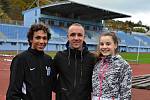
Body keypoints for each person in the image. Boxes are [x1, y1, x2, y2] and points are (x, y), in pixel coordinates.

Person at [6, 23, 56, 100]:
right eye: (38, 38)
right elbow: (12, 94)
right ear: (31, 39)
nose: (42, 41)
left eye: (44, 38)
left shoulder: (49, 60)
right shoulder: (20, 59)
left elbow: (54, 86)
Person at [53, 23, 97, 100]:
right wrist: (62, 92)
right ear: (68, 37)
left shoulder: (92, 58)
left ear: (84, 37)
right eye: (72, 35)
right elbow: (50, 79)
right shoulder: (59, 57)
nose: (76, 38)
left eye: (79, 35)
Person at [92, 32, 132, 100]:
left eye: (108, 44)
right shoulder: (98, 64)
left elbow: (126, 94)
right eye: (102, 44)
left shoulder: (123, 65)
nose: (104, 47)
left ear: (115, 45)